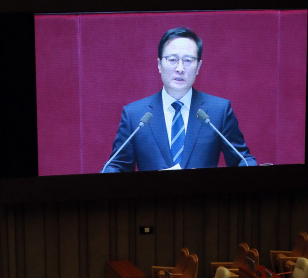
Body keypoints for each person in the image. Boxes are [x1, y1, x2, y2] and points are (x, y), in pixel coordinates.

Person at [102, 27, 256, 173]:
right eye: (172, 59)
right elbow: (116, 165)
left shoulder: (219, 111)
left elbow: (241, 159)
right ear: (159, 65)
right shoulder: (135, 115)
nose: (180, 68)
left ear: (198, 67)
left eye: (188, 60)